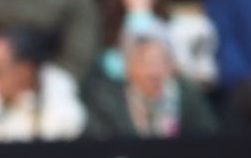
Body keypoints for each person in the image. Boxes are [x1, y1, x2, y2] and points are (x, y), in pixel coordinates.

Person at [86, 12, 218, 138]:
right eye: (146, 62)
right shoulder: (108, 99)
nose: (154, 72)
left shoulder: (187, 95)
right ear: (128, 66)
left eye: (160, 62)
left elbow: (208, 137)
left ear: (171, 66)